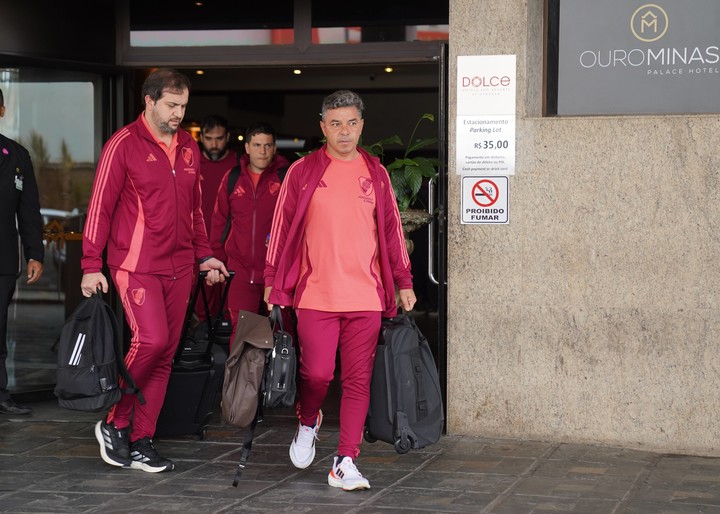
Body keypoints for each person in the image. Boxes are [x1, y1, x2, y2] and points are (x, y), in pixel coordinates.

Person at [263, 90, 417, 491]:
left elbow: (391, 232)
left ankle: (345, 459)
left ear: (362, 126)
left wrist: (404, 281)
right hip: (315, 294)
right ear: (322, 127)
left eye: (351, 123)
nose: (344, 131)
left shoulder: (376, 173)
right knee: (317, 374)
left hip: (365, 296)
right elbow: (280, 231)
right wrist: (271, 281)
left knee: (357, 380)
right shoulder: (303, 171)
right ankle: (309, 418)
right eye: (335, 123)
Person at [80, 68, 228, 473]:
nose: (179, 113)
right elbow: (100, 208)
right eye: (172, 105)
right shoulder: (123, 145)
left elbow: (196, 210)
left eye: (183, 105)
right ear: (149, 101)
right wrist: (91, 265)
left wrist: (204, 256)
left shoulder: (189, 147)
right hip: (136, 264)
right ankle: (115, 421)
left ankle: (142, 439)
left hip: (181, 267)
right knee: (150, 341)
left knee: (165, 354)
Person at [210, 122, 290, 340]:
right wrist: (215, 263)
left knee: (283, 334)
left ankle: (280, 376)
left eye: (267, 145)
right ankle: (244, 377)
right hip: (241, 272)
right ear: (246, 147)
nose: (262, 151)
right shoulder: (232, 178)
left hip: (278, 272)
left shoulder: (286, 178)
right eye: (256, 145)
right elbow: (218, 223)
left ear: (274, 148)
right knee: (244, 337)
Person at [0, 88, 45, 416]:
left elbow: (29, 211)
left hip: (2, 259)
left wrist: (35, 254)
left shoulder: (16, 156)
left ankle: (0, 393)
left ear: (2, 110)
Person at [194, 114, 238, 322]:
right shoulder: (191, 163)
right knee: (200, 304)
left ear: (227, 137)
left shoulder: (238, 166)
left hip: (229, 246)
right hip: (196, 245)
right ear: (201, 136)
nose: (214, 144)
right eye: (209, 138)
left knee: (231, 306)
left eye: (219, 138)